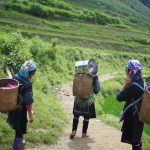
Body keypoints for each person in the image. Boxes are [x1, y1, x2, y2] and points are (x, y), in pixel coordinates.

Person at [7, 60, 36, 150]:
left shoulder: (15, 77)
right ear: (28, 73)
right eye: (33, 74)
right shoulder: (27, 85)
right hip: (20, 111)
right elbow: (28, 102)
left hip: (12, 107)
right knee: (19, 131)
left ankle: (20, 142)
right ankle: (17, 147)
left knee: (17, 128)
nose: (33, 75)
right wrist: (30, 115)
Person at [116, 60, 145, 150]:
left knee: (135, 143)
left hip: (133, 118)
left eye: (127, 70)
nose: (126, 72)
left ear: (131, 72)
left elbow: (119, 97)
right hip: (139, 116)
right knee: (137, 140)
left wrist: (125, 84)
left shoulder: (133, 86)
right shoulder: (142, 83)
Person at [70, 75, 100, 139]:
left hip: (78, 99)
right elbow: (96, 90)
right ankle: (84, 133)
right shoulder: (94, 75)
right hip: (88, 100)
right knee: (86, 117)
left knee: (76, 116)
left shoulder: (78, 73)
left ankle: (73, 131)